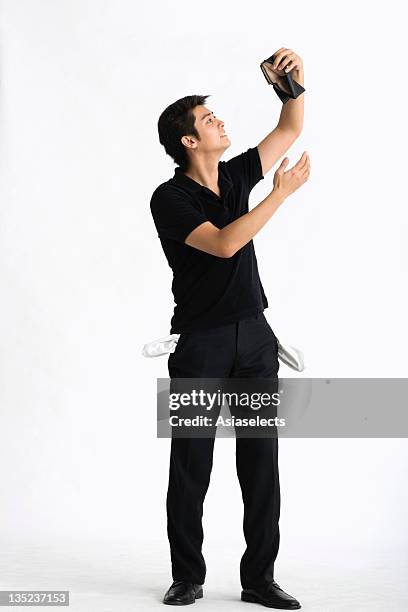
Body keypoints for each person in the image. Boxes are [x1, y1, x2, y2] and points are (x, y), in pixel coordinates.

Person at [150, 49, 310, 609]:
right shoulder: (170, 198)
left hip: (254, 337)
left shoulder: (238, 172)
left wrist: (291, 84)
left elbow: (290, 126)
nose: (219, 121)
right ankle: (187, 575)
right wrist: (280, 195)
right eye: (207, 120)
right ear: (188, 141)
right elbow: (224, 244)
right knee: (192, 460)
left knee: (260, 461)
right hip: (202, 344)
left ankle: (258, 578)